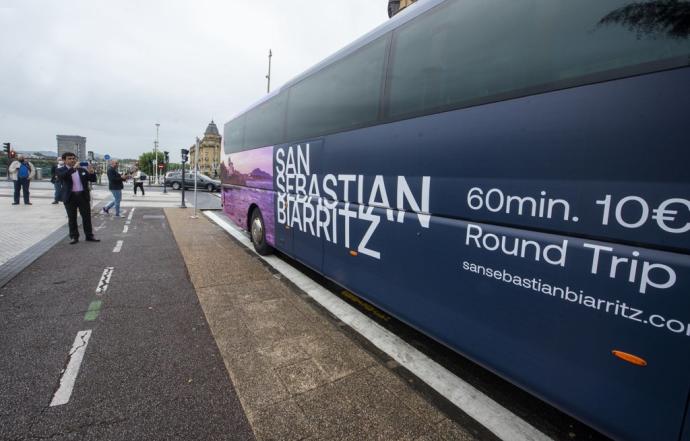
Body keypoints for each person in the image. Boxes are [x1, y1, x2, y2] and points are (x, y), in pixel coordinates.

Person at [57, 152, 100, 244]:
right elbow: (63, 176)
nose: (72, 160)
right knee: (72, 218)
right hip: (70, 197)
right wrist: (73, 168)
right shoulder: (61, 170)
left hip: (82, 196)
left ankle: (89, 236)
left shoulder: (81, 170)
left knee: (86, 217)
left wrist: (92, 173)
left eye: (73, 158)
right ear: (64, 160)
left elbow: (93, 180)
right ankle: (74, 236)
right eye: (69, 158)